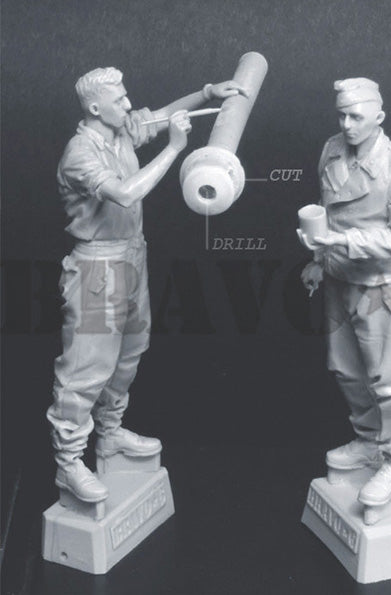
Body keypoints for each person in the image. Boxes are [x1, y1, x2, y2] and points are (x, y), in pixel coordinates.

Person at [47, 67, 246, 502]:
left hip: (132, 256)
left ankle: (110, 433)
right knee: (86, 369)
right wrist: (175, 148)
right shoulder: (80, 153)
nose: (128, 103)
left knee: (129, 353)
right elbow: (125, 193)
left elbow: (162, 114)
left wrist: (207, 91)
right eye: (118, 100)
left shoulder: (121, 129)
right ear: (95, 108)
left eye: (125, 96)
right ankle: (69, 463)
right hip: (97, 269)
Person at [298, 78, 391, 507]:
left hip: (383, 287)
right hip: (340, 280)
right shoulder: (332, 150)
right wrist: (319, 259)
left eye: (356, 116)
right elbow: (329, 210)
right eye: (341, 115)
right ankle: (369, 440)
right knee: (346, 370)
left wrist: (338, 243)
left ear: (379, 118)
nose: (347, 124)